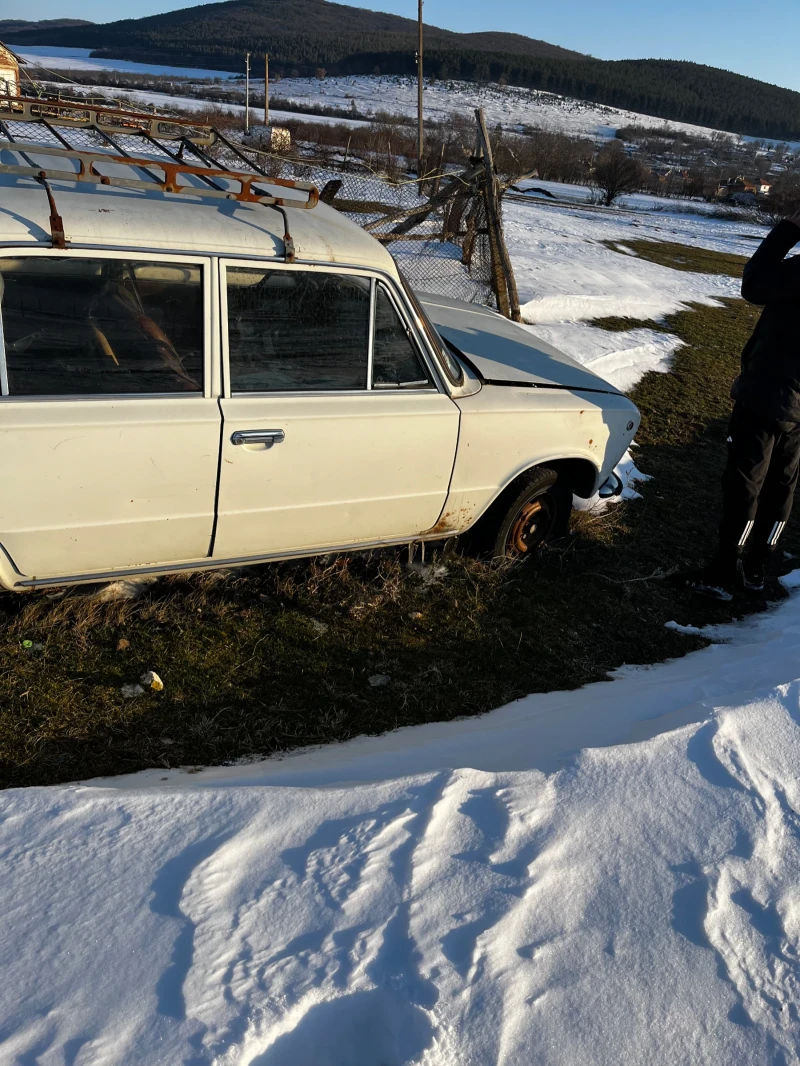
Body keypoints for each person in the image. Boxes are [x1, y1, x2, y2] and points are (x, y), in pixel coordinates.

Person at [685, 210, 800, 600]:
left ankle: (723, 571)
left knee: (745, 483)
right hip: (798, 402)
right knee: (782, 484)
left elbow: (753, 283)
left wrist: (788, 229)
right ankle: (756, 568)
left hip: (769, 390)